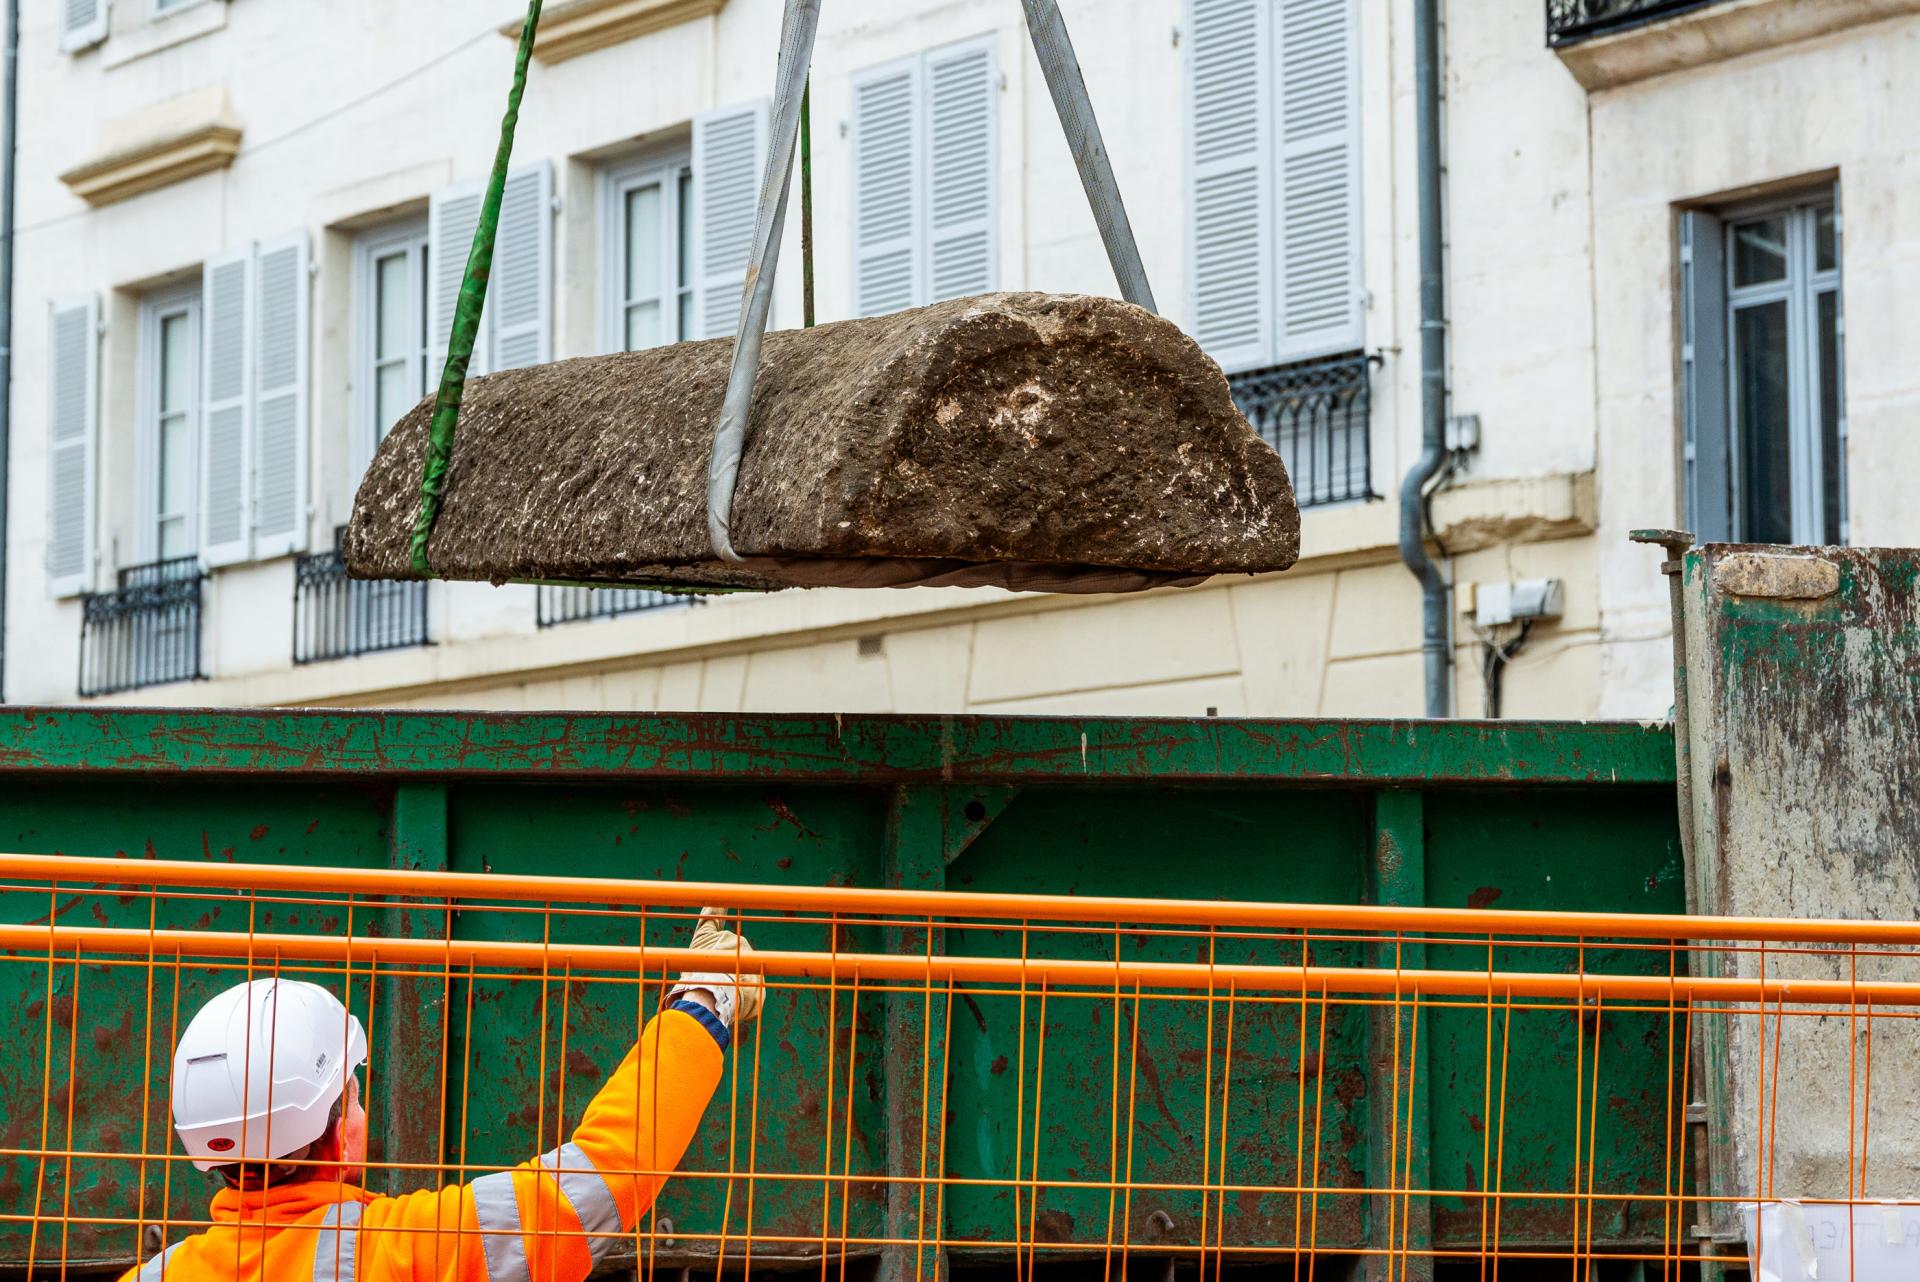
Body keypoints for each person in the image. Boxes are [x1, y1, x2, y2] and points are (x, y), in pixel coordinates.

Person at [128, 908, 763, 1282]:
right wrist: (706, 1002)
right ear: (332, 1131)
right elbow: (607, 1175)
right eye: (351, 1097)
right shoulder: (409, 1248)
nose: (360, 1111)